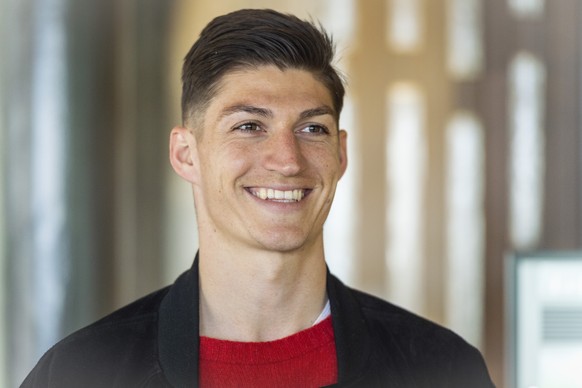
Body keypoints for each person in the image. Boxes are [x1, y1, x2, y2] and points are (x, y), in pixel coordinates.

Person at [22, 8, 495, 387]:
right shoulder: (80, 373)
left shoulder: (441, 369)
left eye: (312, 128)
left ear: (341, 153)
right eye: (249, 126)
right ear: (186, 154)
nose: (287, 160)